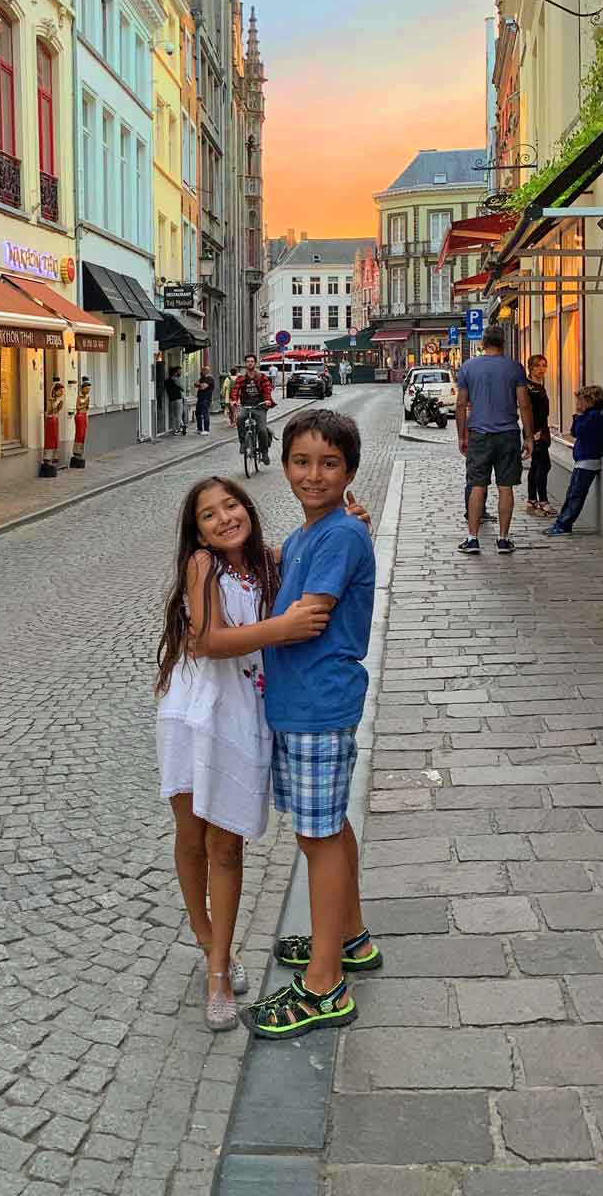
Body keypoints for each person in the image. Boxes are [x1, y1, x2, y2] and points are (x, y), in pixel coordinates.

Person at [156, 476, 335, 1031]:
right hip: (193, 711)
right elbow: (207, 639)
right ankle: (212, 949)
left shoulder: (271, 560)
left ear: (248, 508)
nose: (224, 518)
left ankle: (217, 959)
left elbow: (319, 553)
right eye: (209, 515)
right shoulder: (202, 566)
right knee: (191, 837)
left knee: (226, 844)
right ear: (197, 531)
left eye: (231, 505)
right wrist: (280, 628)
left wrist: (354, 523)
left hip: (242, 716)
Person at [244, 409, 381, 1040]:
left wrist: (218, 642)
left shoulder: (339, 535)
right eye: (301, 461)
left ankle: (325, 985)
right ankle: (348, 938)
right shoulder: (312, 533)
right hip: (307, 703)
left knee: (317, 838)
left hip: (318, 703)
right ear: (284, 466)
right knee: (329, 828)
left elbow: (307, 618)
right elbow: (280, 564)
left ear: (350, 471)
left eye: (329, 463)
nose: (313, 474)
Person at [455, 326, 533, 555]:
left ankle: (472, 539)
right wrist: (528, 436)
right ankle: (503, 538)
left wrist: (462, 434)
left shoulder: (468, 367)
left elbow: (460, 404)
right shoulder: (514, 368)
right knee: (505, 487)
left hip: (479, 434)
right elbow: (524, 403)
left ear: (483, 343)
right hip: (508, 434)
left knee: (477, 485)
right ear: (503, 343)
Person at [546, 386, 603, 536]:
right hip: (583, 460)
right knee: (572, 493)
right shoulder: (589, 415)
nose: (577, 403)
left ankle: (564, 524)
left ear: (590, 401)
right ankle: (562, 522)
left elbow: (578, 432)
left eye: (580, 400)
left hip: (588, 460)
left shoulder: (593, 416)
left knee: (575, 495)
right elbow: (574, 432)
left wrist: (578, 415)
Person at [230, 354, 274, 464]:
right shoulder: (241, 378)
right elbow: (235, 390)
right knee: (240, 418)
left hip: (259, 406)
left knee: (262, 430)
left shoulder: (261, 377)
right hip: (246, 405)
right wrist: (234, 400)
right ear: (245, 364)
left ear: (255, 363)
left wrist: (268, 400)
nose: (250, 363)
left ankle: (264, 452)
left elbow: (267, 389)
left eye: (252, 361)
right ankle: (243, 443)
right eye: (248, 361)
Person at [525, 354, 553, 515]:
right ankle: (542, 500)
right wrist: (532, 432)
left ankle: (532, 499)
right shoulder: (529, 388)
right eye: (538, 366)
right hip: (535, 431)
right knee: (543, 465)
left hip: (543, 429)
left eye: (544, 365)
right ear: (531, 368)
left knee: (537, 465)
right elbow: (528, 411)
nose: (542, 369)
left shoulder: (539, 386)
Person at [70, 377, 91, 469]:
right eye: (86, 389)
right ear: (82, 388)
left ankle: (80, 452)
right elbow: (78, 407)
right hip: (79, 416)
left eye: (89, 389)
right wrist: (83, 405)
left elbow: (87, 408)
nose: (87, 391)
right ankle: (76, 452)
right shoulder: (79, 397)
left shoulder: (87, 397)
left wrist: (84, 407)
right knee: (79, 434)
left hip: (84, 416)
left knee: (83, 435)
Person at [165, 366, 186, 435]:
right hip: (178, 399)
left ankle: (176, 429)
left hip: (171, 399)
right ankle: (181, 427)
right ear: (175, 372)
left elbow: (166, 389)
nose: (180, 373)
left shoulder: (167, 380)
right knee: (178, 415)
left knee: (174, 415)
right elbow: (182, 388)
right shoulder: (177, 379)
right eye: (179, 371)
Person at [195, 367, 216, 434]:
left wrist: (199, 385)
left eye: (202, 371)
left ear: (206, 371)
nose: (201, 372)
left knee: (205, 413)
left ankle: (206, 430)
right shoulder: (202, 378)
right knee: (198, 413)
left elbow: (204, 387)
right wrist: (199, 384)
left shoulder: (210, 378)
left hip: (206, 398)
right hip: (200, 398)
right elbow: (195, 384)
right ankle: (199, 429)